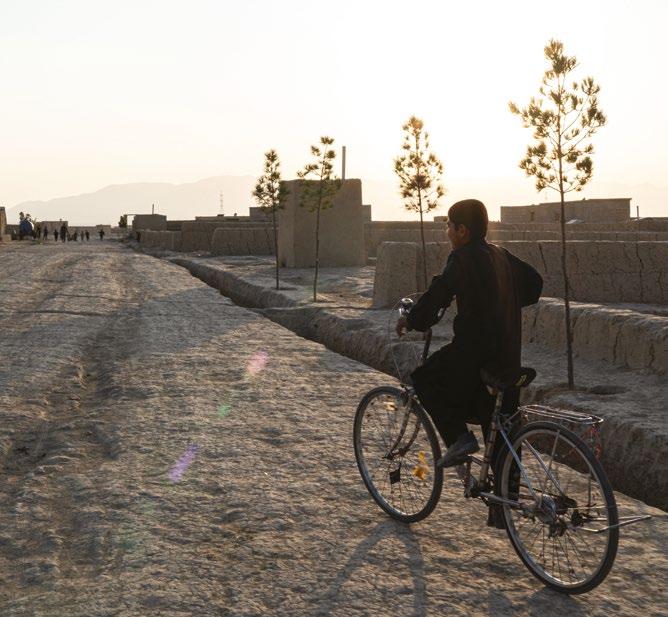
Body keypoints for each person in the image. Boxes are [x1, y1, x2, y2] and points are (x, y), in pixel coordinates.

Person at [396, 199, 543, 471]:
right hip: (508, 356)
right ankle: (505, 496)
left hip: (474, 354)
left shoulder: (462, 257)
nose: (448, 233)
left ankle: (458, 438)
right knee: (501, 434)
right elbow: (535, 284)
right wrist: (503, 299)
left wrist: (412, 319)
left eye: (449, 226)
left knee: (425, 379)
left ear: (462, 230)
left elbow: (439, 293)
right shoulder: (500, 254)